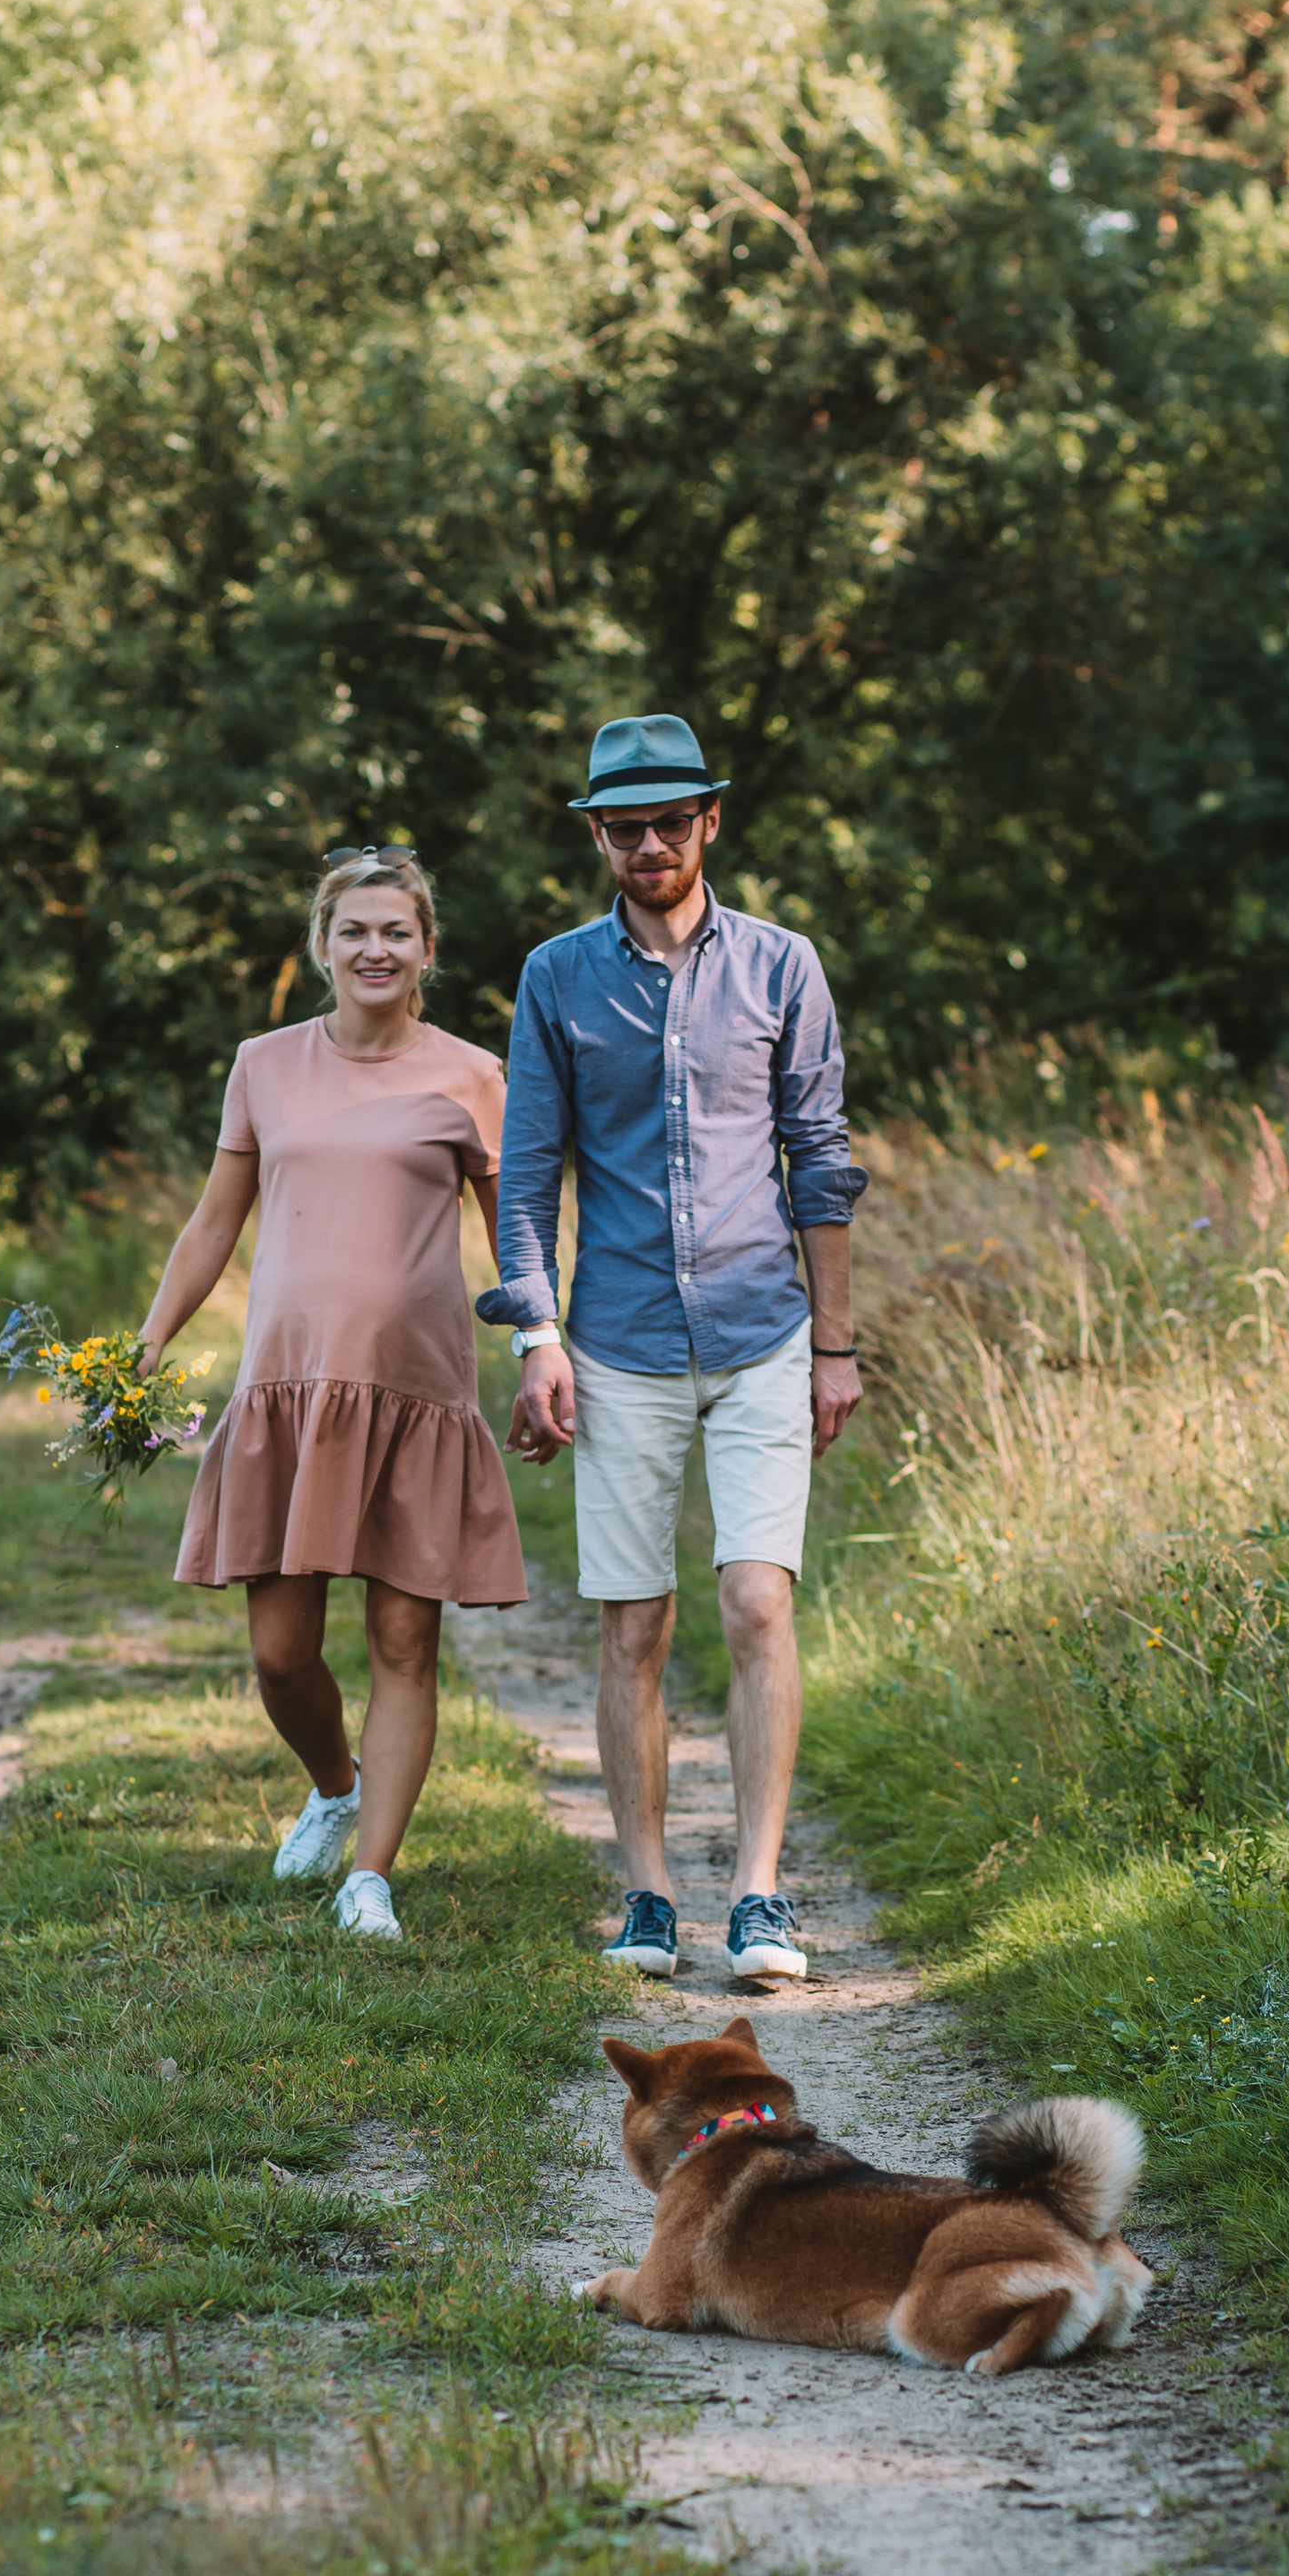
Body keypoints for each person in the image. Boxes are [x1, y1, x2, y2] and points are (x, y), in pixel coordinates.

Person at [481, 713, 865, 1986]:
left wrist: (837, 1347)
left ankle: (757, 1894)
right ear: (597, 835)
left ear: (710, 823)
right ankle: (647, 1893)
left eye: (670, 822)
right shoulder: (556, 979)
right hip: (622, 1341)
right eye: (623, 826)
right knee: (633, 1626)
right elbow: (528, 1173)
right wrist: (538, 1334)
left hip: (765, 1330)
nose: (648, 844)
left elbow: (822, 1159)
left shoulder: (781, 967)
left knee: (758, 1602)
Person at [141, 847, 524, 1943]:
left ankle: (371, 1879)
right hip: (287, 1393)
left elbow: (518, 1237)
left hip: (414, 1392)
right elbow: (216, 1220)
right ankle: (335, 1783)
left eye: (395, 932)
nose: (374, 949)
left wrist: (546, 1346)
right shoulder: (264, 1064)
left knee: (405, 1642)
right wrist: (148, 1344)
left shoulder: (470, 1076)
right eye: (353, 931)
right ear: (322, 945)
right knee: (278, 1651)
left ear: (426, 950)